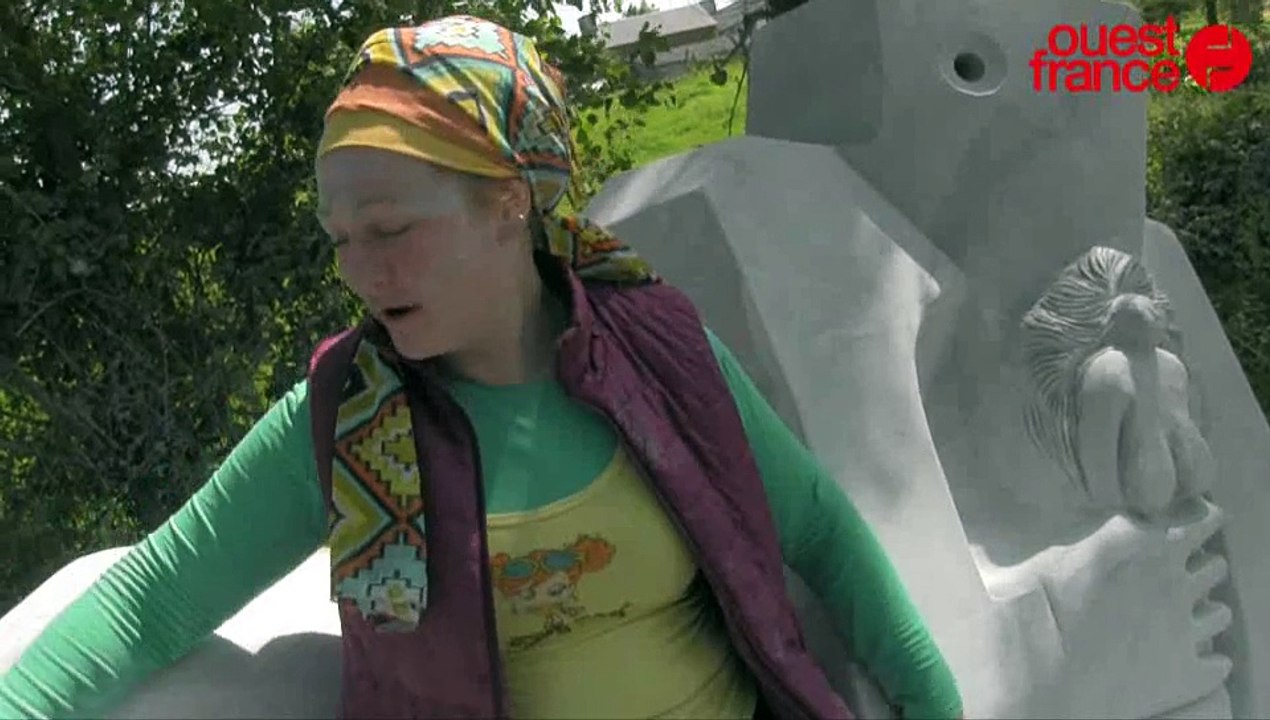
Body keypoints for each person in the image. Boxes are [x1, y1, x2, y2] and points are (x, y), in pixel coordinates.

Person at [0, 15, 962, 720]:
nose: (358, 271)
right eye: (340, 239)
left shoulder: (661, 352)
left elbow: (824, 535)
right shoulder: (341, 421)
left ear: (508, 203)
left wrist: (934, 708)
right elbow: (149, 601)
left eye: (390, 230)